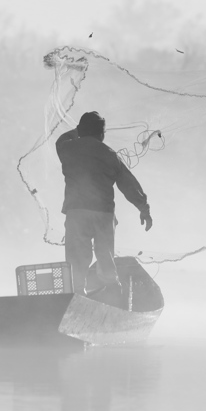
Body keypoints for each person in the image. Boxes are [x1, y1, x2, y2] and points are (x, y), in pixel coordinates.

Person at [56, 111, 152, 295]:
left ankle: (77, 292)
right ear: (101, 134)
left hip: (77, 211)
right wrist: (143, 208)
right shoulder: (109, 154)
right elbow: (129, 184)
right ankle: (113, 287)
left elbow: (60, 140)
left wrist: (77, 132)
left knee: (77, 255)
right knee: (105, 253)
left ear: (80, 130)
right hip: (104, 213)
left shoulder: (67, 148)